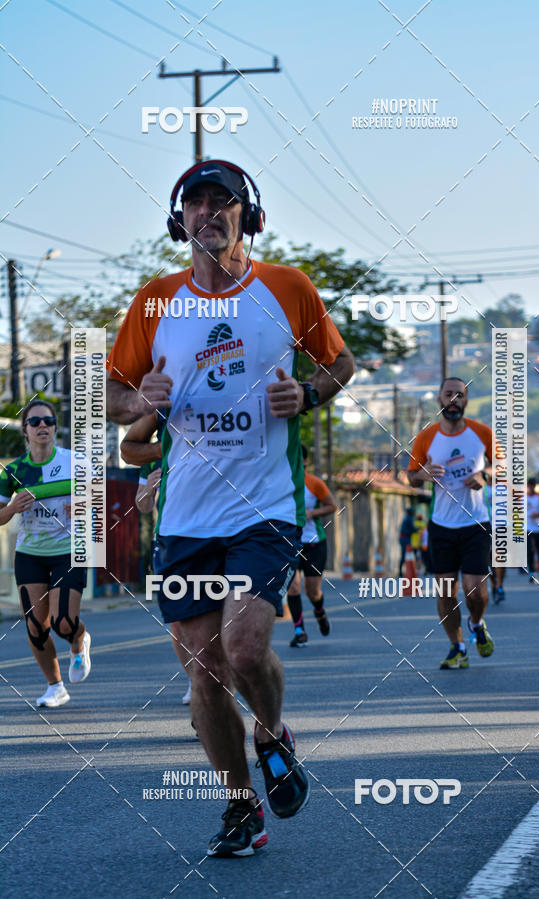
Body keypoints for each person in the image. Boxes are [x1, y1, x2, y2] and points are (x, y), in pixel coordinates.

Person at [106, 159, 354, 857]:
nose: (208, 213)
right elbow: (110, 394)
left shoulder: (287, 288)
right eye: (196, 203)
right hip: (184, 518)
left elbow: (340, 364)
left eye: (224, 202)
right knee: (205, 674)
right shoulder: (155, 302)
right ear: (178, 221)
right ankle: (241, 806)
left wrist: (307, 394)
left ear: (250, 216)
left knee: (245, 646)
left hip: (265, 507)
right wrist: (138, 401)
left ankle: (273, 731)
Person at [0, 400, 90, 707]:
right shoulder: (14, 470)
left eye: (48, 421)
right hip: (30, 552)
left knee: (63, 621)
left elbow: (100, 499)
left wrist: (83, 505)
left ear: (55, 427)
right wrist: (11, 508)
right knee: (37, 626)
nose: (43, 426)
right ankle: (55, 687)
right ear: (24, 429)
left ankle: (78, 641)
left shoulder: (75, 461)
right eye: (35, 421)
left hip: (69, 548)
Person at [407, 377, 495, 670]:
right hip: (441, 525)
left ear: (466, 401)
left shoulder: (482, 433)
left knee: (475, 591)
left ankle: (477, 623)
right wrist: (424, 474)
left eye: (460, 395)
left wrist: (485, 475)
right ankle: (457, 647)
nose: (454, 400)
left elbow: (505, 464)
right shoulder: (426, 437)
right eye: (449, 394)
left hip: (476, 523)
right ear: (439, 400)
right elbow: (410, 474)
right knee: (446, 591)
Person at [122, 412, 193, 705]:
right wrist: (150, 487)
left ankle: (216, 673)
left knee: (213, 618)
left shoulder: (212, 446)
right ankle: (195, 678)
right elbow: (142, 505)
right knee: (178, 622)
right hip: (167, 542)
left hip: (209, 538)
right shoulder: (152, 458)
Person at [288, 445, 338, 647]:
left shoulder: (314, 483)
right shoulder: (280, 484)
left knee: (313, 591)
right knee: (293, 588)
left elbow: (332, 506)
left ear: (305, 462)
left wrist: (311, 514)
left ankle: (320, 612)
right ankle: (299, 631)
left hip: (314, 543)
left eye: (298, 459)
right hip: (291, 543)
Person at [526, 477, 539, 583]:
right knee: (530, 550)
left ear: (534, 485)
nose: (531, 486)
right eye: (529, 484)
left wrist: (538, 514)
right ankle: (532, 573)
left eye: (532, 484)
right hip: (527, 528)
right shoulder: (522, 498)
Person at [398, 506, 414, 574]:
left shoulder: (406, 517)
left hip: (403, 538)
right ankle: (407, 571)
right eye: (412, 511)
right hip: (406, 538)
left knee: (404, 554)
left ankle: (403, 571)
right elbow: (412, 529)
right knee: (407, 554)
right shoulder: (409, 518)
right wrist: (418, 529)